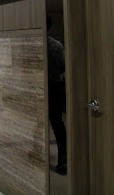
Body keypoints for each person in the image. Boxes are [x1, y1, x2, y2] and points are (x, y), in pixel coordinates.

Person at [47, 16, 67, 175]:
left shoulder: (35, 44)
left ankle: (36, 154)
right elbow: (63, 67)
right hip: (55, 87)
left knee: (38, 124)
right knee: (58, 124)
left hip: (41, 88)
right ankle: (63, 160)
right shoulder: (57, 45)